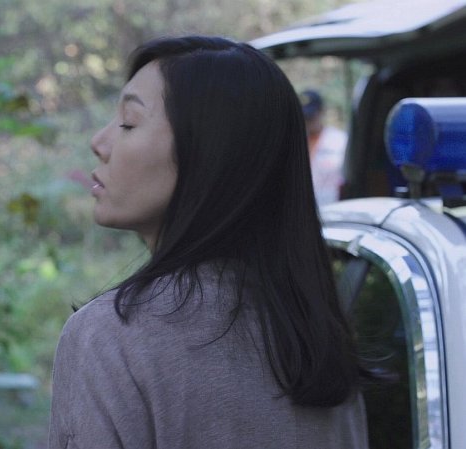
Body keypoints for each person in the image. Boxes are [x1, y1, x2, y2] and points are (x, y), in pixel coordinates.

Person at [48, 36, 368, 448]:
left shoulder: (111, 337)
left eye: (128, 123)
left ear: (208, 154)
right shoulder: (318, 338)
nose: (99, 142)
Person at [300, 89, 348, 206]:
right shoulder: (293, 142)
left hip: (332, 206)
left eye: (311, 116)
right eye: (304, 117)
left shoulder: (339, 141)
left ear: (321, 111)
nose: (308, 121)